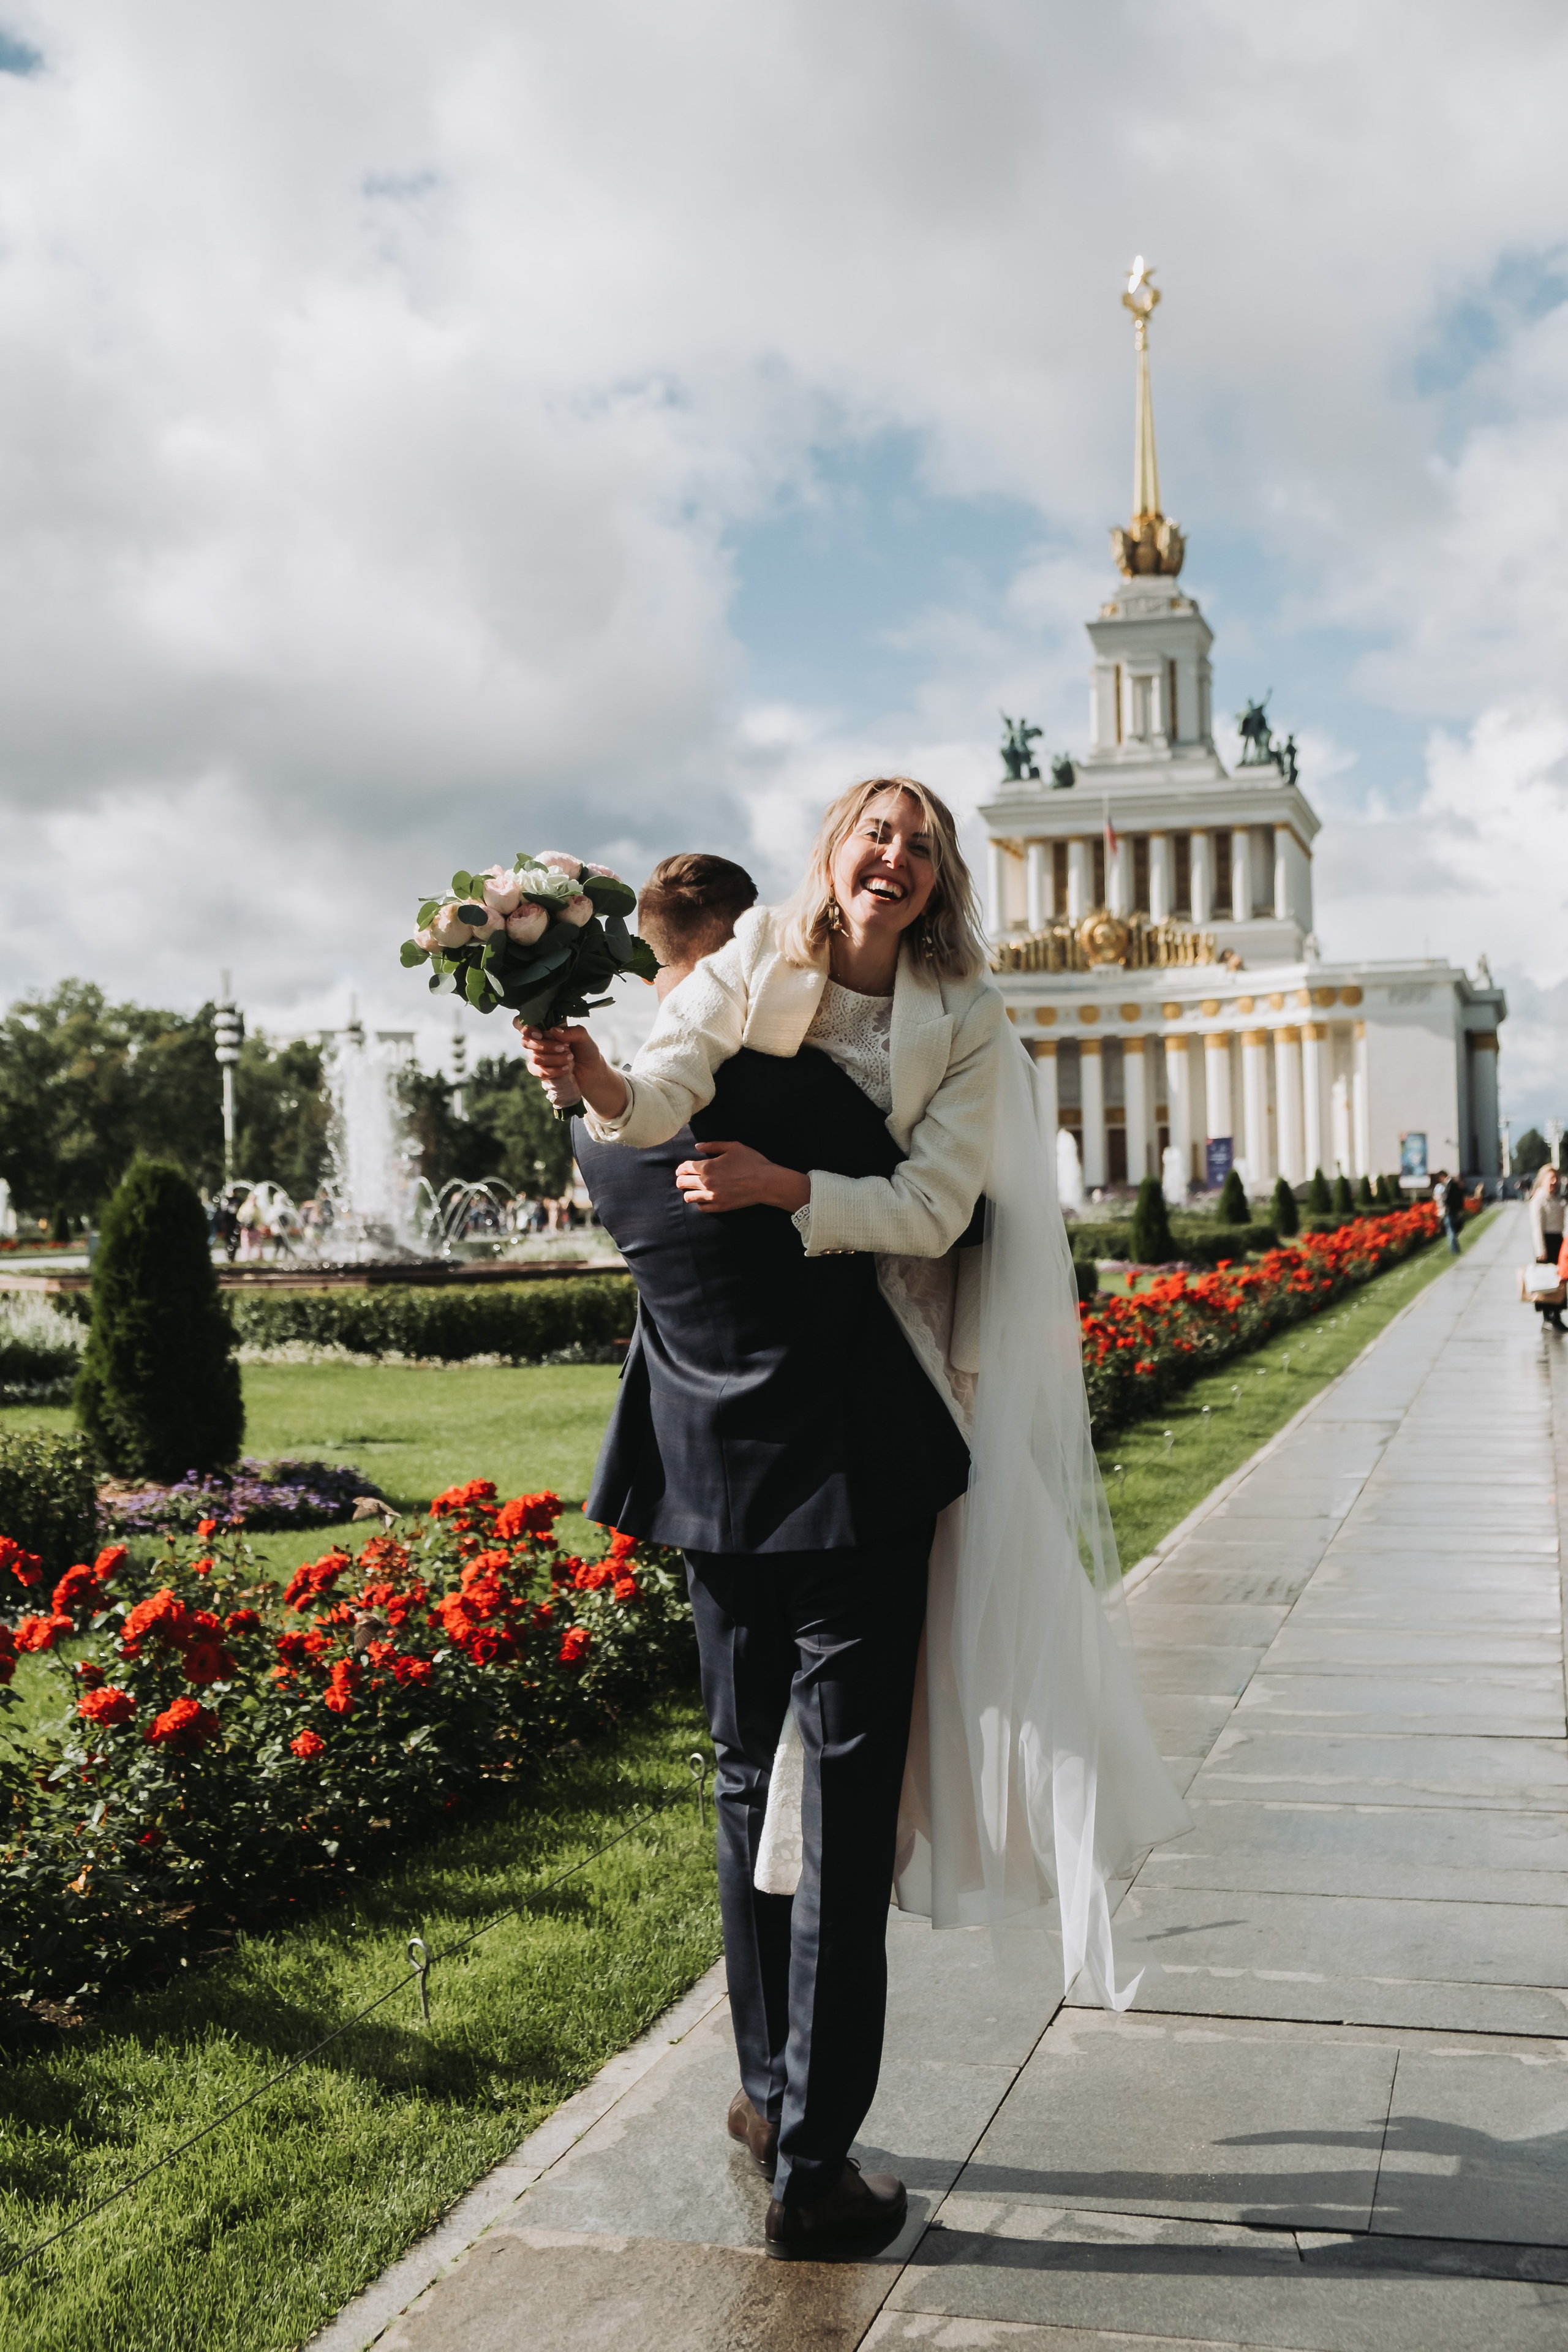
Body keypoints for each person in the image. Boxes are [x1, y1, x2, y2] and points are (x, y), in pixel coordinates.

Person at [525, 787, 1188, 2251]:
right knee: (772, 1791)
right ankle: (798, 2143)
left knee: (805, 1798)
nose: (891, 854)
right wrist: (593, 1081)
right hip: (791, 1457)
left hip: (815, 1439)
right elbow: (666, 1082)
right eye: (869, 829)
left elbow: (943, 1205)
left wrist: (785, 1185)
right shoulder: (754, 954)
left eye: (919, 839)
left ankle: (788, 2115)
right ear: (830, 854)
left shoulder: (966, 1017)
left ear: (938, 875)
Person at [1528, 1164, 1564, 1325]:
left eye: (1556, 1178)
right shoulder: (1539, 1199)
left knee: (1559, 1280)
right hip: (1546, 1243)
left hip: (1559, 1242)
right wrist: (1540, 1250)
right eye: (1551, 1178)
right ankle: (1547, 1317)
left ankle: (1556, 1314)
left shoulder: (1557, 1198)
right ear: (1543, 1180)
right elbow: (1537, 1227)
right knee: (1545, 1280)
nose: (1554, 1182)